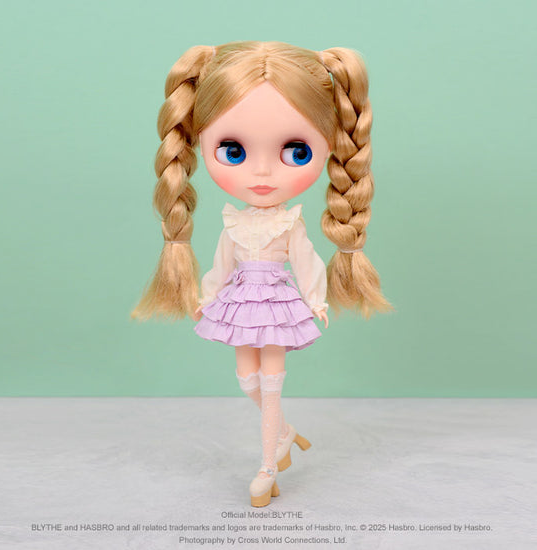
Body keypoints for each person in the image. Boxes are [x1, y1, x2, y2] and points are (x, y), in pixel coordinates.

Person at [132, 41, 391, 507]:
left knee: (271, 386)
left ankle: (267, 467)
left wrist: (316, 300)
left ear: (330, 145)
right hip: (240, 302)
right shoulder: (234, 220)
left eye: (296, 151)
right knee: (246, 378)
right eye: (233, 151)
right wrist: (208, 295)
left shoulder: (290, 223)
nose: (263, 172)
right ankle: (286, 433)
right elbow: (221, 264)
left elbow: (307, 261)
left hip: (275, 303)